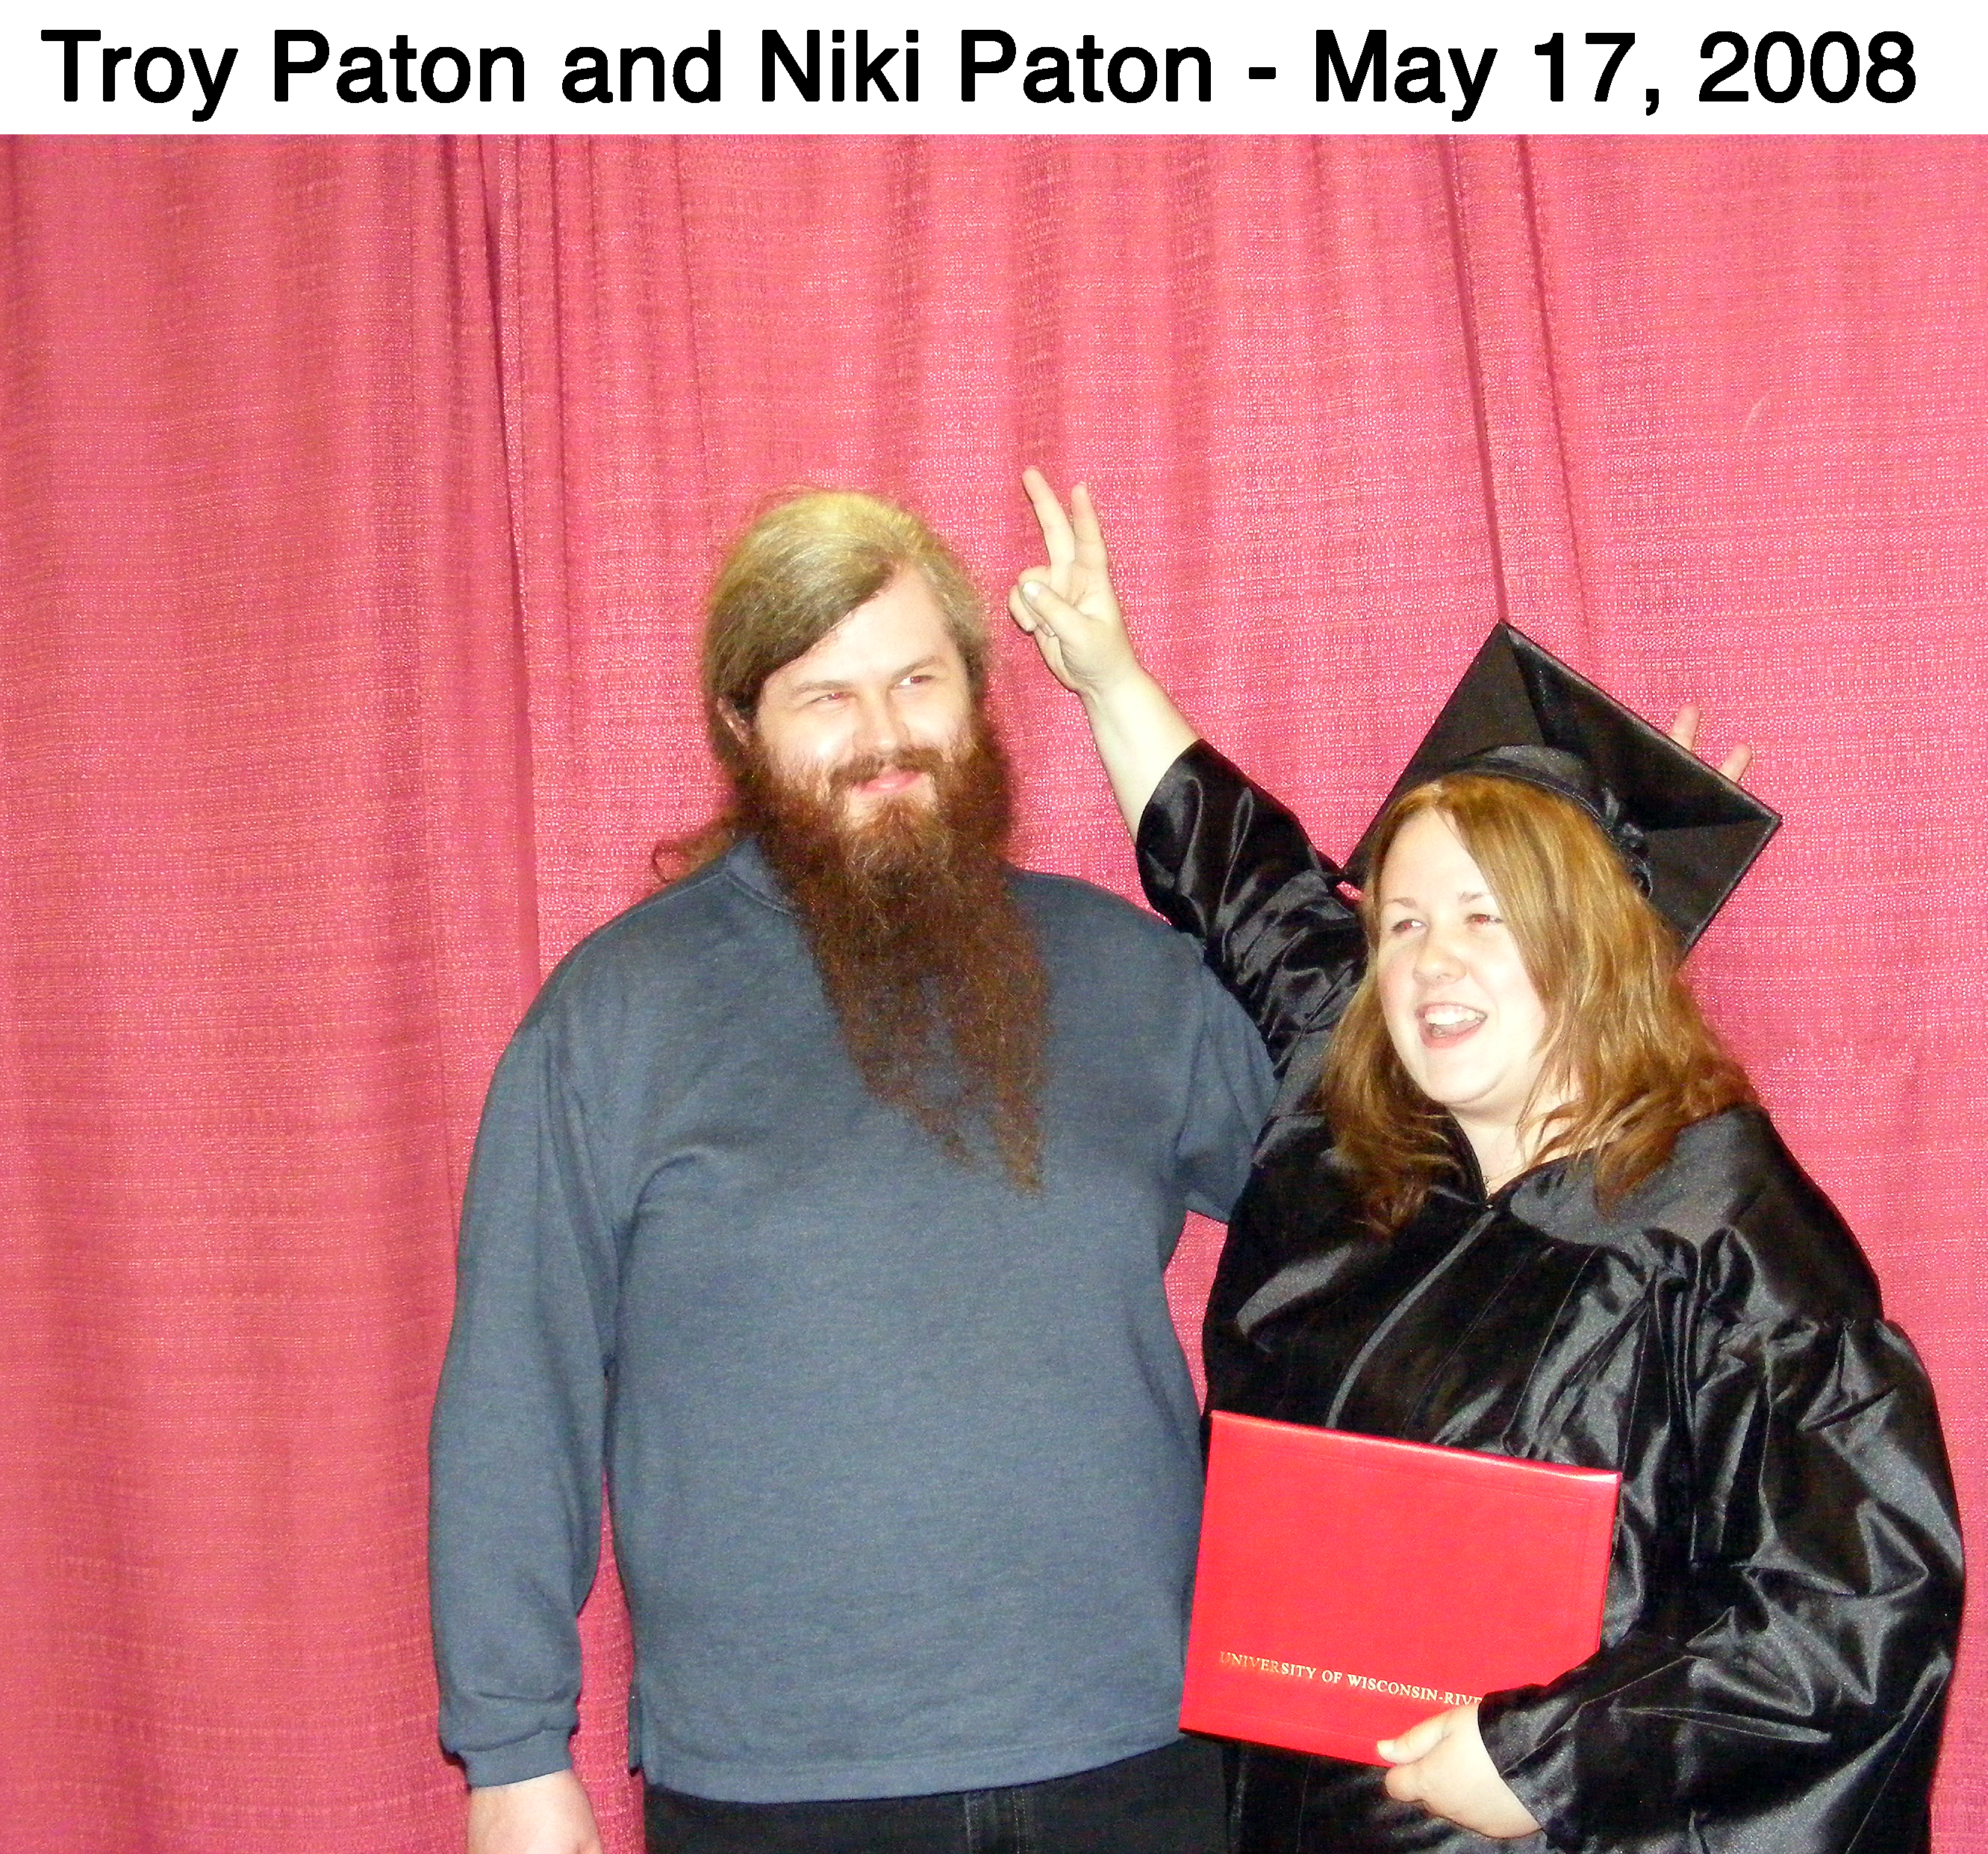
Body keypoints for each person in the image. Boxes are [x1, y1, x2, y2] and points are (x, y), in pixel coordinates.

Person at [1009, 472, 1962, 1852]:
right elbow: (1256, 887)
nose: (1430, 962)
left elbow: (1861, 1599)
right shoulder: (1353, 1132)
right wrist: (1107, 678)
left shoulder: (1720, 1228)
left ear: (1589, 942)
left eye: (1487, 916)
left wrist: (1547, 1758)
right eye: (1401, 923)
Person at [429, 490, 1279, 1854]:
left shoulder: (1128, 976)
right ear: (742, 726)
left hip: (1142, 1760)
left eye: (916, 682)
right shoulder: (615, 1016)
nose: (882, 738)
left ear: (978, 700)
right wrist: (513, 1755)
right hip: (781, 1792)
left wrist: (1570, 924)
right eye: (825, 696)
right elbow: (512, 1398)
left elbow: (1391, 1192)